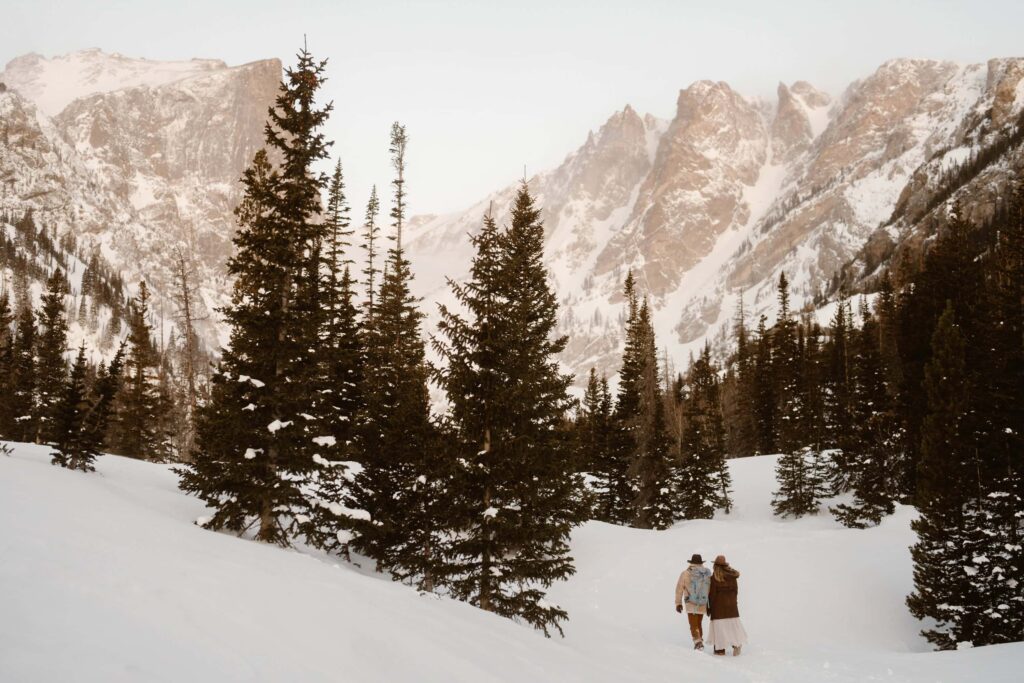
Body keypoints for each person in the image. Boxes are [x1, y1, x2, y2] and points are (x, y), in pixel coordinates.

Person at [707, 554, 748, 656]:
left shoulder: (714, 578)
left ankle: (720, 650)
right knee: (731, 628)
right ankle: (736, 644)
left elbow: (712, 595)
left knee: (720, 629)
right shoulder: (732, 577)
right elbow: (735, 592)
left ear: (716, 566)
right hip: (732, 608)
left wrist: (709, 608)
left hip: (718, 609)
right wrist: (734, 603)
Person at [674, 553, 712, 650]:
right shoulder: (706, 574)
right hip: (703, 603)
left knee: (693, 623)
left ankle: (698, 642)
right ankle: (699, 641)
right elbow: (709, 590)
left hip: (691, 603)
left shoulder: (686, 573)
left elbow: (679, 589)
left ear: (691, 562)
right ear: (701, 562)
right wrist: (709, 605)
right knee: (699, 623)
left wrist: (678, 603)